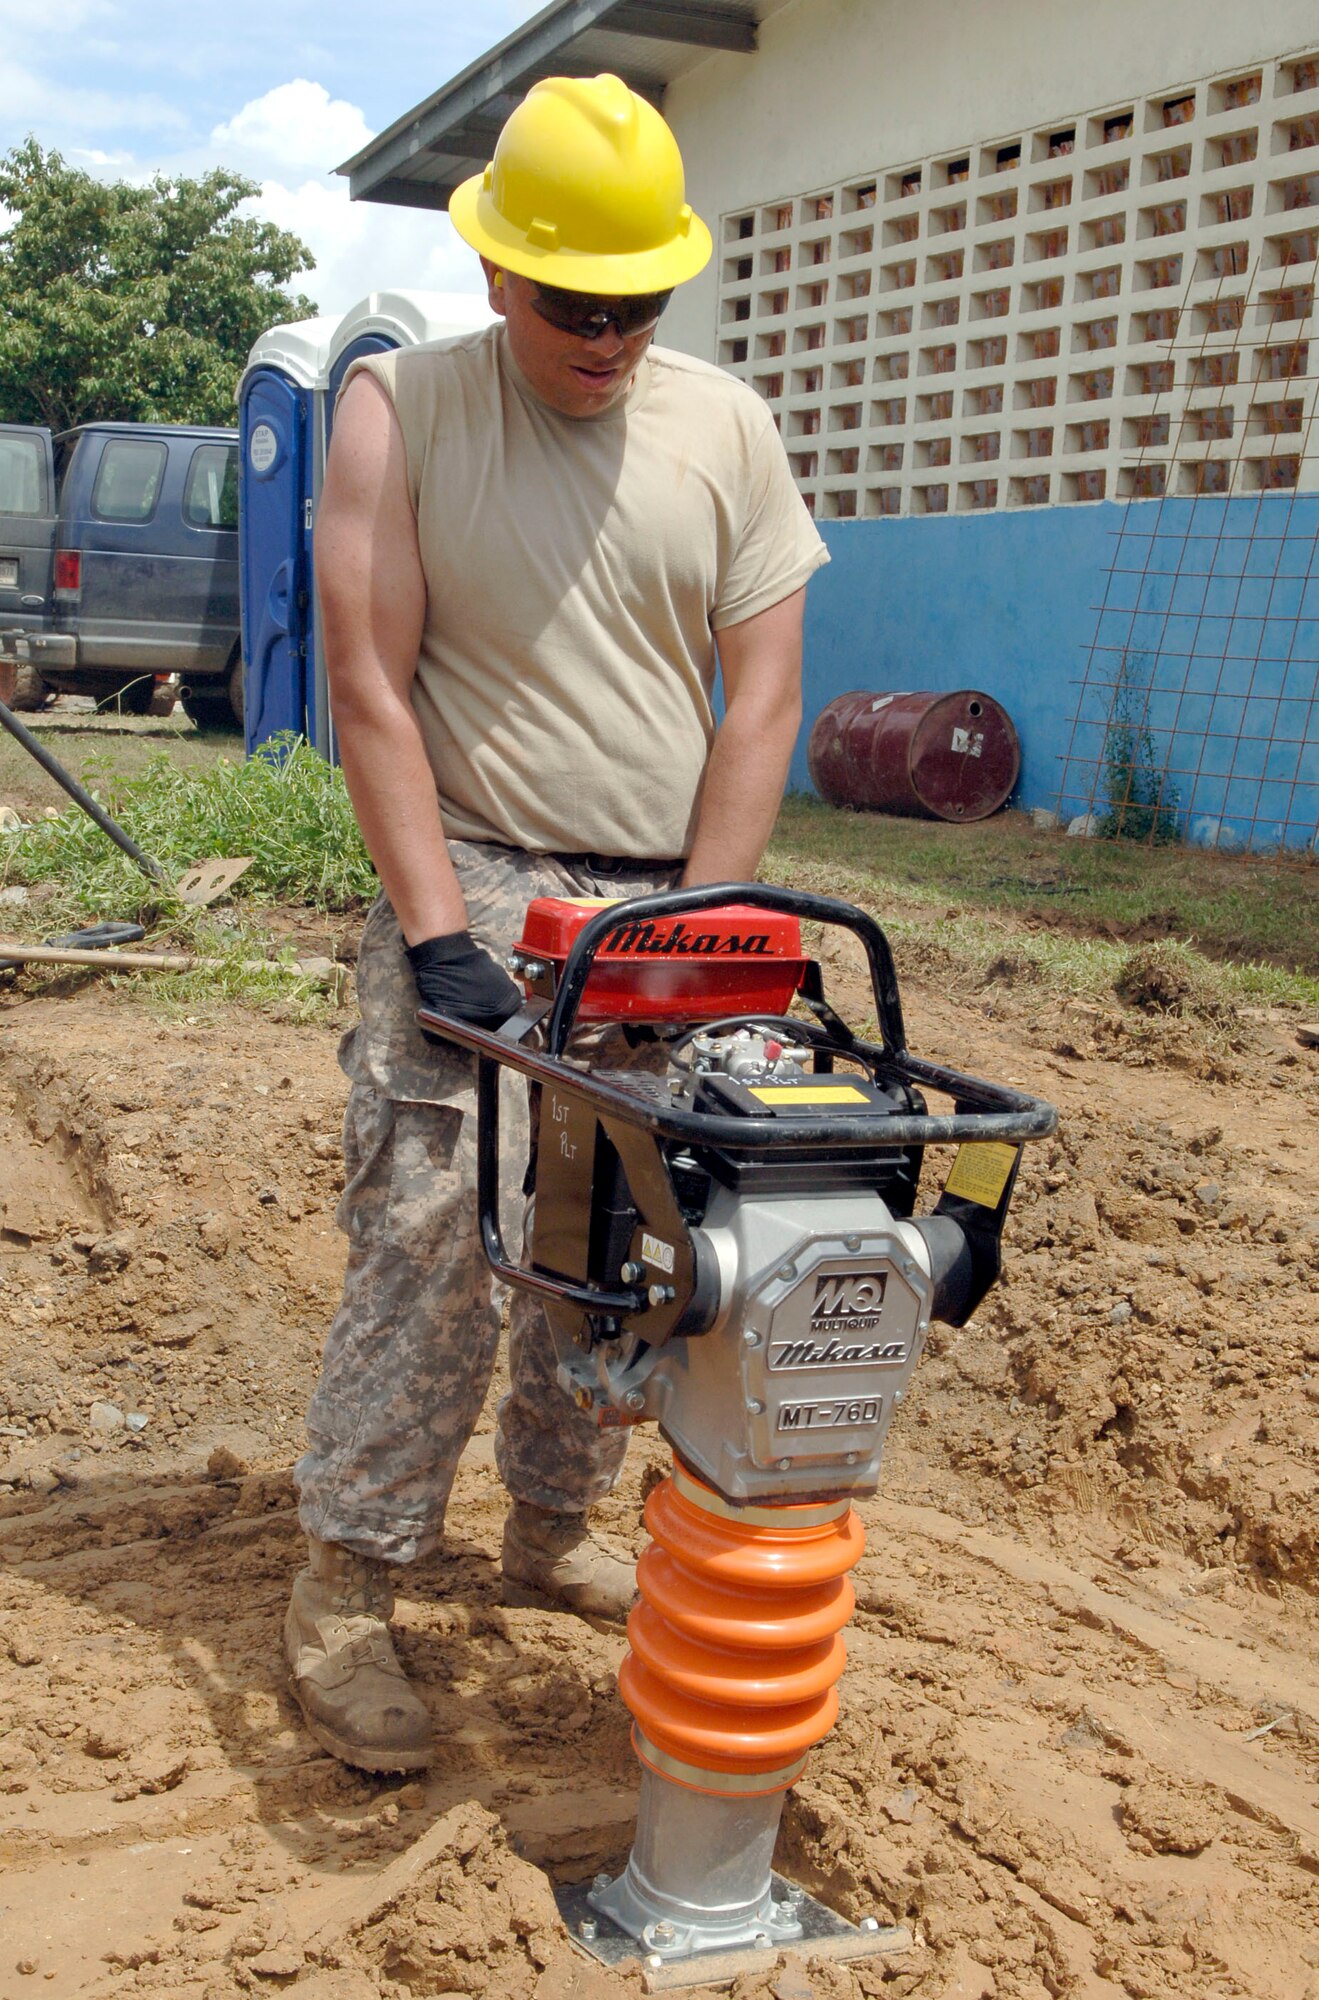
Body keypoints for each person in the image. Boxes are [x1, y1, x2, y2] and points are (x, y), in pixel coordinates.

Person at [285, 72, 829, 1774]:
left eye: (639, 304)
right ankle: (348, 1587)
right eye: (575, 305)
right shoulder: (403, 410)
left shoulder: (726, 426)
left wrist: (714, 931)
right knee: (439, 1235)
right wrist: (440, 925)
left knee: (619, 1248)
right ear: (501, 273)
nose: (609, 336)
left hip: (659, 893)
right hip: (476, 875)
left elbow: (761, 700)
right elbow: (368, 681)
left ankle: (546, 1526)